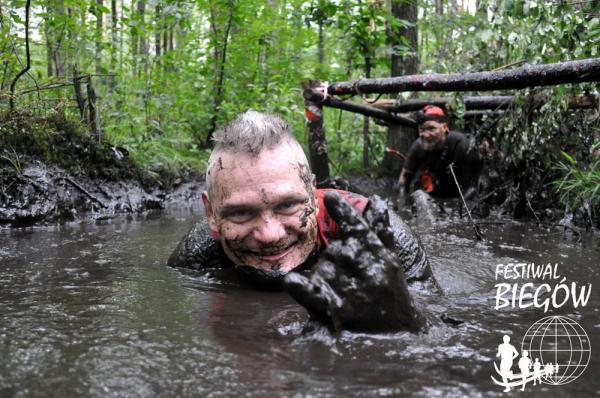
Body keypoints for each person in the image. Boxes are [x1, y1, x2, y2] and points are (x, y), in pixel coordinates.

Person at [168, 110, 438, 332]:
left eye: (287, 205)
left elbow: (437, 314)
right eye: (241, 213)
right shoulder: (197, 252)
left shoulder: (376, 230)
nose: (271, 235)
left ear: (313, 193)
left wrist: (398, 320)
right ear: (211, 214)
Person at [397, 105, 480, 200]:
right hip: (437, 193)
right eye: (421, 129)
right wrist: (401, 203)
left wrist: (456, 211)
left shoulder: (462, 145)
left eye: (431, 129)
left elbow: (472, 188)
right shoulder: (418, 146)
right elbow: (404, 179)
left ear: (444, 127)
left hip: (460, 193)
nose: (425, 135)